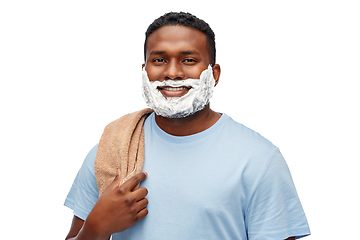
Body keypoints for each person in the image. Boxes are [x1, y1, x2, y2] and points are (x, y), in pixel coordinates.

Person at [64, 12, 311, 240]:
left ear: (214, 74)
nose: (172, 72)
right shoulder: (111, 150)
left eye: (189, 59)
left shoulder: (258, 159)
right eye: (159, 59)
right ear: (144, 70)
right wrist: (95, 227)